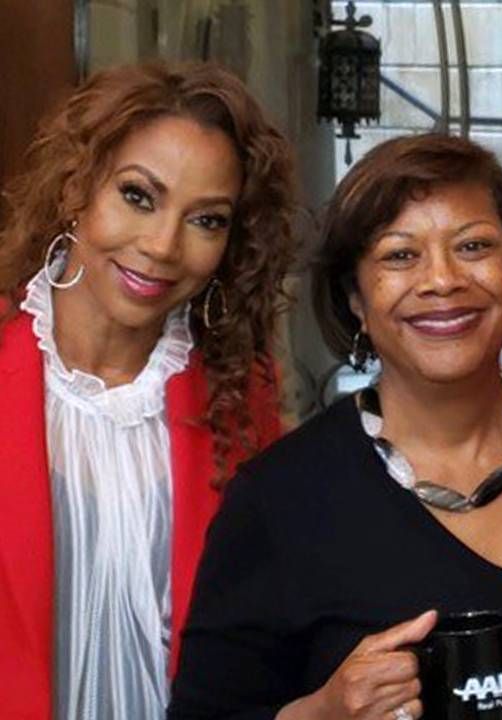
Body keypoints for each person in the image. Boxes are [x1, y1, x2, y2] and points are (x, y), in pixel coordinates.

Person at [168, 133, 502, 720]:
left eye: (473, 246)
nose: (441, 280)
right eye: (400, 255)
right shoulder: (280, 500)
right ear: (355, 298)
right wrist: (322, 712)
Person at [0, 62, 296, 720]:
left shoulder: (243, 395)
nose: (162, 246)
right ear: (78, 188)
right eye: (139, 196)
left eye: (207, 221)